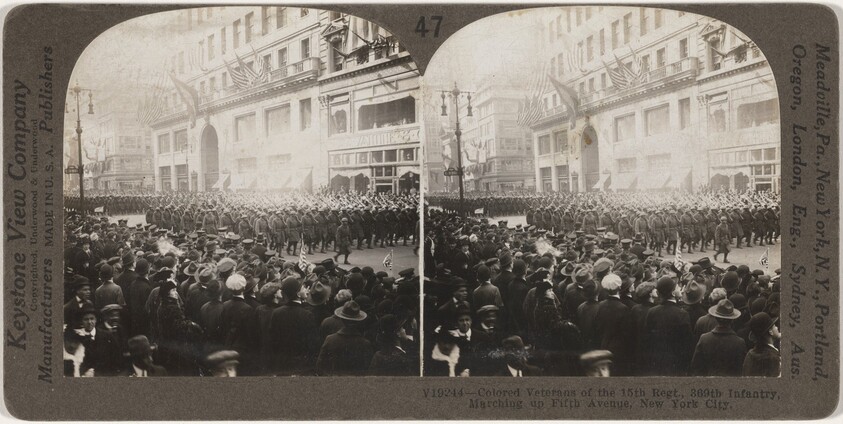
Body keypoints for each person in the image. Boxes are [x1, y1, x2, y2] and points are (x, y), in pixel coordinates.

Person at [690, 299, 747, 376]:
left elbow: (696, 367)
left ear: (716, 318)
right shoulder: (740, 342)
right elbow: (741, 370)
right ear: (732, 320)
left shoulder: (704, 339)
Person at [316, 301, 374, 376]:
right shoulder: (365, 344)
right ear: (358, 321)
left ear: (342, 319)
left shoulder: (330, 340)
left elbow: (320, 366)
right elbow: (369, 371)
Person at [742, 312, 781, 377]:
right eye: (774, 326)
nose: (777, 328)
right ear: (770, 331)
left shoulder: (749, 354)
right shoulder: (774, 358)